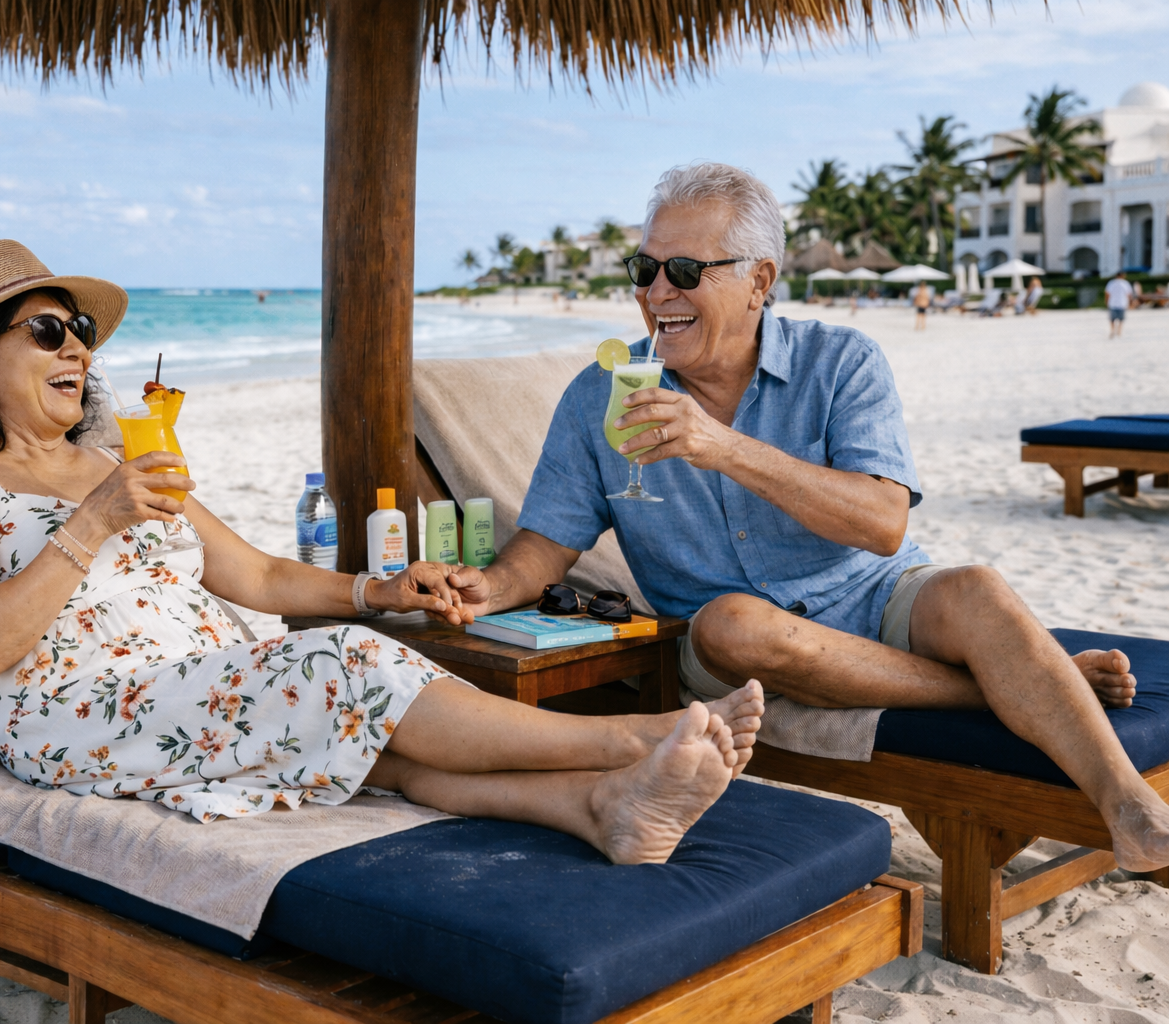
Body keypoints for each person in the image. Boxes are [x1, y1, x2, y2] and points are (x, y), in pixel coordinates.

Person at [0, 240, 764, 864]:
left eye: (80, 328)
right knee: (342, 668)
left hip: (202, 680)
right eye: (47, 332)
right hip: (74, 713)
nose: (79, 348)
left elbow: (257, 574)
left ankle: (599, 809)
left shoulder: (114, 461)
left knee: (376, 743)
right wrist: (91, 524)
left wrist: (383, 590)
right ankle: (631, 741)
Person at [433, 162, 1169, 872]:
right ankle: (1026, 681)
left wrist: (720, 446)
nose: (658, 292)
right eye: (644, 269)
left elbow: (884, 525)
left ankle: (1132, 809)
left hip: (872, 592)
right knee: (733, 622)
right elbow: (549, 542)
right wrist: (494, 587)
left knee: (975, 587)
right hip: (734, 641)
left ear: (759, 282)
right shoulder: (600, 394)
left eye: (686, 272)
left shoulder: (841, 362)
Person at [1106, 271, 1133, 337]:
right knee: (1121, 319)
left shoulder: (1111, 283)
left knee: (1112, 319)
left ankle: (1112, 330)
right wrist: (1130, 302)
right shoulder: (1125, 283)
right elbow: (1129, 294)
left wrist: (1107, 301)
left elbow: (1107, 293)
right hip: (1122, 303)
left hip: (1112, 303)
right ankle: (1119, 331)